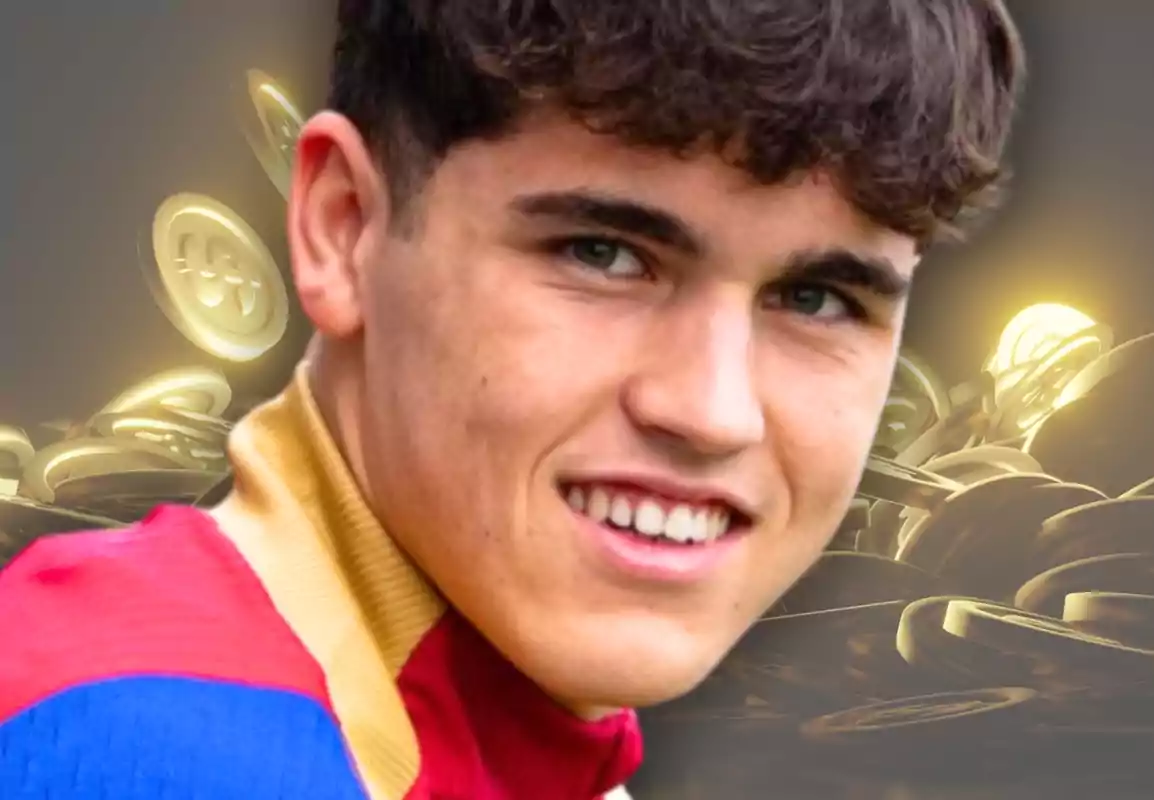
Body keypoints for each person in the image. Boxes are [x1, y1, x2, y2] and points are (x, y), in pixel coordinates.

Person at [0, 1, 1025, 797]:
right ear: (343, 226)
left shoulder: (492, 730)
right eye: (605, 253)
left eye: (817, 297)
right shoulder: (140, 736)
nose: (712, 409)